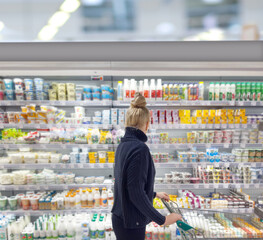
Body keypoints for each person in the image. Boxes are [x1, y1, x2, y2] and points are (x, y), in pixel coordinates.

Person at [112, 92, 182, 240]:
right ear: (147, 124)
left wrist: (154, 194)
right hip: (131, 222)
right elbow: (135, 192)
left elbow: (128, 183)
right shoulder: (139, 149)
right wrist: (163, 219)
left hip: (121, 218)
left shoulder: (123, 145)